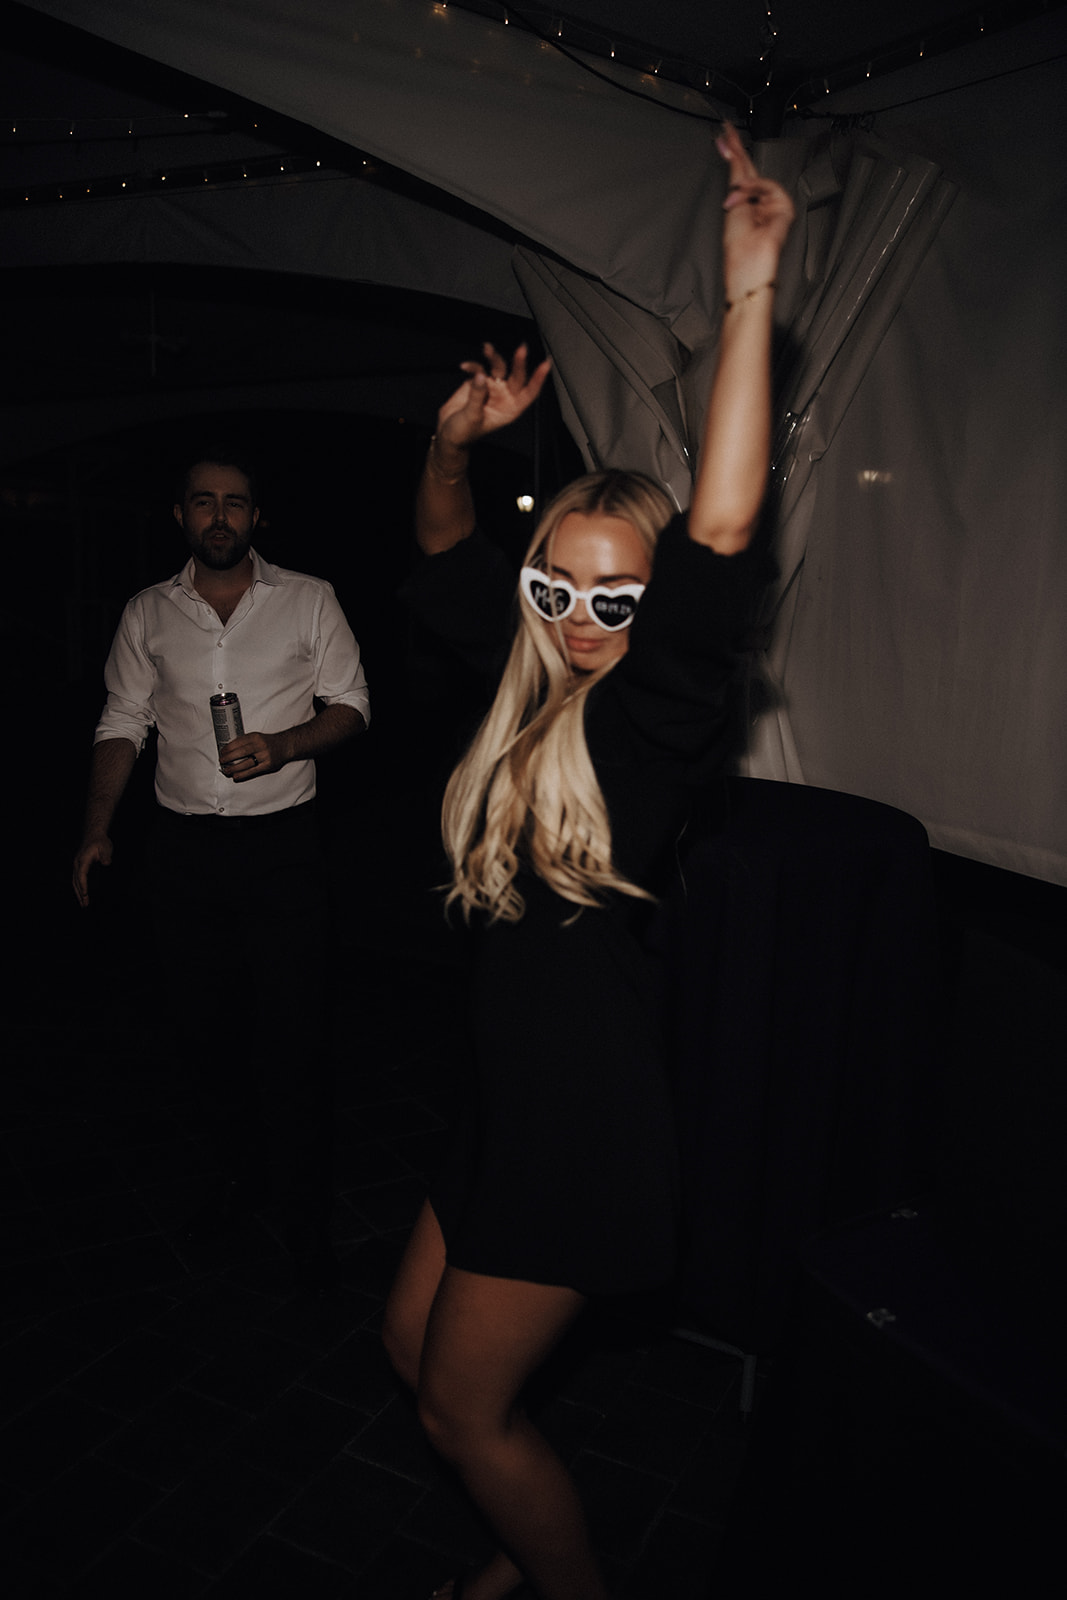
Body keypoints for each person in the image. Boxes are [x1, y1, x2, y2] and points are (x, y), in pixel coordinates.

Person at [382, 123, 793, 1600]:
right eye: (562, 584)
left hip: (581, 1129)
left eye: (620, 596)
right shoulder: (527, 687)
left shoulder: (648, 727)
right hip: (505, 1099)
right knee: (409, 1353)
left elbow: (727, 523)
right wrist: (452, 444)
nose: (584, 616)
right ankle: (514, 1546)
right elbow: (438, 564)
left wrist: (750, 289)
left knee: (458, 1403)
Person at [72, 448, 370, 1290]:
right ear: (180, 517)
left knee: (296, 1040)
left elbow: (353, 707)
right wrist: (97, 828)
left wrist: (283, 744)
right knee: (204, 1035)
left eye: (235, 503)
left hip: (283, 850)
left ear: (256, 517)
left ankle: (306, 1219)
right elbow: (122, 719)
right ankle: (242, 1178)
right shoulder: (147, 612)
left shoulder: (309, 599)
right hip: (182, 852)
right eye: (203, 503)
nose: (220, 517)